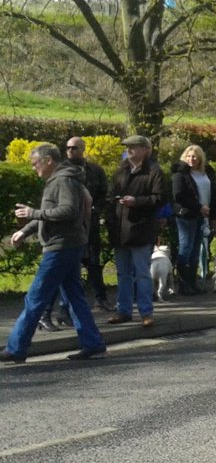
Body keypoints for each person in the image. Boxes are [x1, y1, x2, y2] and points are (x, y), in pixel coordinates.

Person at [2, 143, 107, 363]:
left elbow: (67, 211)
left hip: (61, 247)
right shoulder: (63, 179)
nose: (34, 168)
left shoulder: (63, 180)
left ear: (49, 160)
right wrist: (25, 229)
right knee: (74, 297)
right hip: (70, 244)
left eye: (35, 163)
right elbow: (49, 214)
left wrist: (33, 213)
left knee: (35, 297)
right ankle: (92, 343)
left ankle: (16, 347)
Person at [107, 135, 169, 328]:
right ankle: (123, 310)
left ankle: (146, 312)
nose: (129, 150)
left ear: (145, 149)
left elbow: (159, 198)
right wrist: (112, 211)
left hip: (141, 229)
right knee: (122, 273)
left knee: (142, 273)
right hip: (120, 229)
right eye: (127, 147)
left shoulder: (154, 172)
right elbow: (109, 196)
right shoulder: (120, 171)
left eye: (133, 147)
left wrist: (137, 201)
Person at [64, 136, 109, 311]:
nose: (70, 150)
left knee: (93, 261)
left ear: (83, 149)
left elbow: (103, 193)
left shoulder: (95, 171)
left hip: (90, 224)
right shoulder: (61, 171)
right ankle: (64, 307)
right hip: (70, 226)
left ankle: (101, 298)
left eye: (74, 147)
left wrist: (95, 210)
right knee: (68, 265)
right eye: (68, 147)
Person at [171, 144, 216, 296]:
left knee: (196, 250)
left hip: (202, 216)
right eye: (189, 156)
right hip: (187, 215)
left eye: (195, 157)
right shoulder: (180, 174)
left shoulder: (207, 173)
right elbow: (178, 195)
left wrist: (214, 216)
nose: (191, 159)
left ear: (200, 159)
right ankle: (183, 283)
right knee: (186, 247)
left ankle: (192, 282)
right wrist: (198, 207)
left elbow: (215, 194)